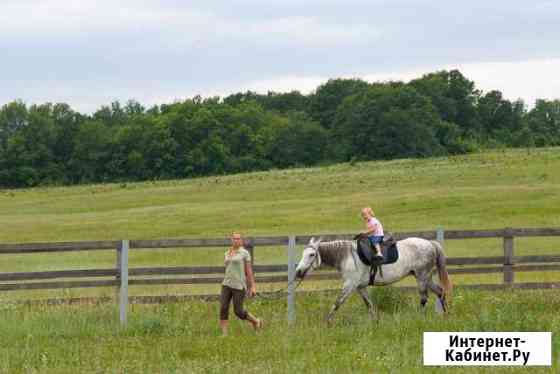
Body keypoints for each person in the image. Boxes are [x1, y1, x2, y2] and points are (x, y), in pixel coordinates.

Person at [219, 232, 262, 336]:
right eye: (234, 238)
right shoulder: (227, 253)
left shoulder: (244, 253)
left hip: (239, 286)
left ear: (241, 240)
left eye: (238, 238)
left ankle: (256, 321)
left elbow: (249, 271)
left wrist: (252, 287)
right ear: (231, 240)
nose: (236, 240)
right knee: (223, 308)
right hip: (226, 284)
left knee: (238, 311)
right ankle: (224, 334)